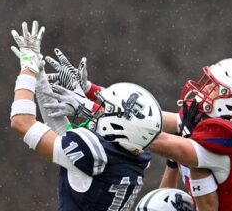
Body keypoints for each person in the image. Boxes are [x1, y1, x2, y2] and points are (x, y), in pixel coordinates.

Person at [43, 52, 232, 211]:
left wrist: (93, 109)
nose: (206, 88)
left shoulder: (227, 143)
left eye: (216, 87)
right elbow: (150, 119)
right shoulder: (209, 126)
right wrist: (91, 91)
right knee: (159, 203)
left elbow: (144, 133)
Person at [9, 21, 164, 211]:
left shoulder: (95, 154)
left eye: (105, 108)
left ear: (119, 127)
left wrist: (28, 69)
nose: (96, 109)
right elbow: (62, 135)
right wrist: (41, 82)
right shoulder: (136, 154)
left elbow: (21, 122)